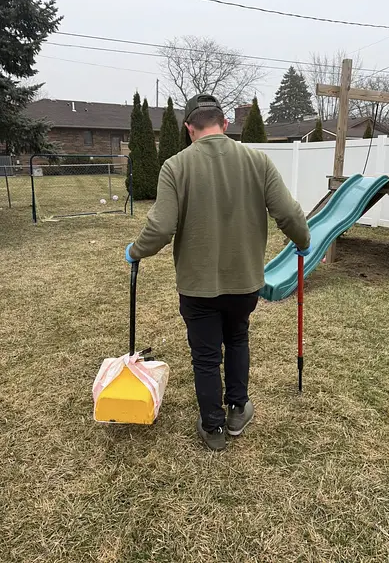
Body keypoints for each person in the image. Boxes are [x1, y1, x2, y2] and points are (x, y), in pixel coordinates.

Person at [125, 94, 310, 451]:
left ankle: (213, 427)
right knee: (238, 338)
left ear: (189, 128)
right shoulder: (258, 161)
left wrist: (135, 251)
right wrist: (302, 241)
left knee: (206, 355)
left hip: (197, 286)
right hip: (245, 282)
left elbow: (160, 228)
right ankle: (238, 410)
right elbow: (288, 213)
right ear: (225, 124)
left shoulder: (175, 166)